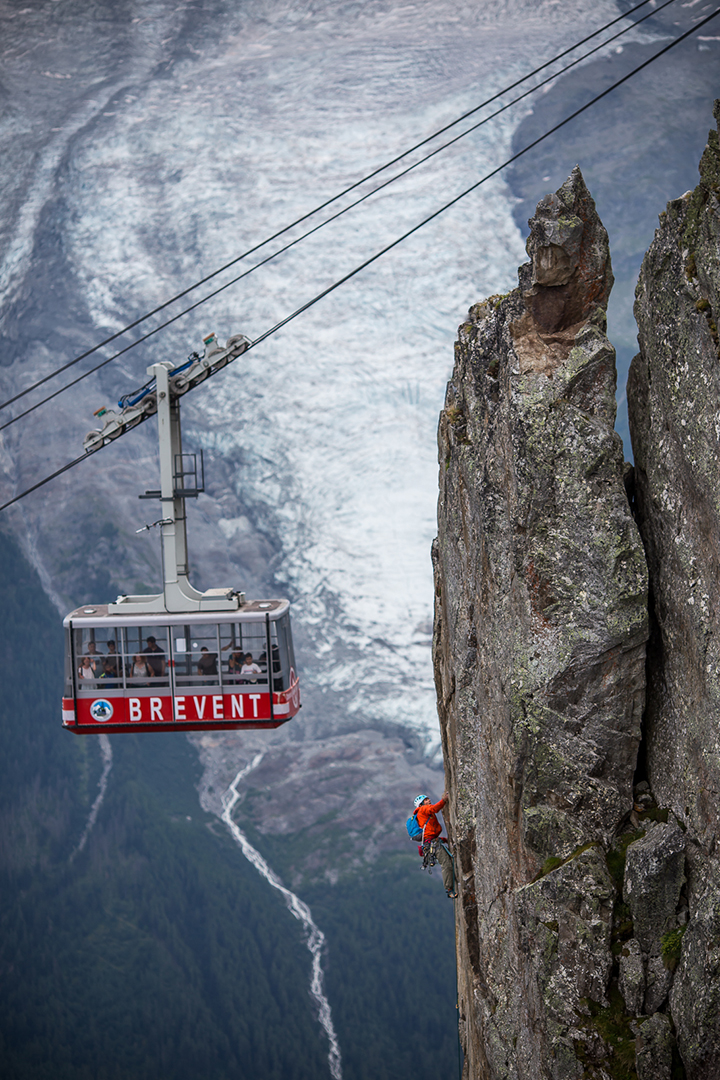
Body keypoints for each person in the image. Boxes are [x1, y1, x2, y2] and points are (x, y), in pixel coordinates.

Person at [414, 792, 456, 898]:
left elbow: (429, 833)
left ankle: (452, 884)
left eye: (428, 799)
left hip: (432, 842)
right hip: (432, 843)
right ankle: (449, 889)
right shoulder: (423, 809)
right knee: (446, 863)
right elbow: (434, 809)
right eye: (426, 800)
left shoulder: (423, 813)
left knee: (447, 862)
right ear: (421, 804)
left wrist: (443, 839)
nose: (428, 801)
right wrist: (444, 800)